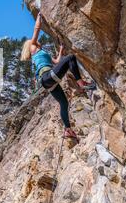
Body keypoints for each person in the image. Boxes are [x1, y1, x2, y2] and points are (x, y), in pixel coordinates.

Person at [21, 13, 94, 141]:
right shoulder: (33, 48)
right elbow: (36, 30)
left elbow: (57, 61)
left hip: (49, 82)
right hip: (47, 76)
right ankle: (81, 83)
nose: (37, 41)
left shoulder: (43, 53)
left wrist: (60, 50)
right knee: (71, 58)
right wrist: (39, 17)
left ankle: (68, 130)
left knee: (64, 103)